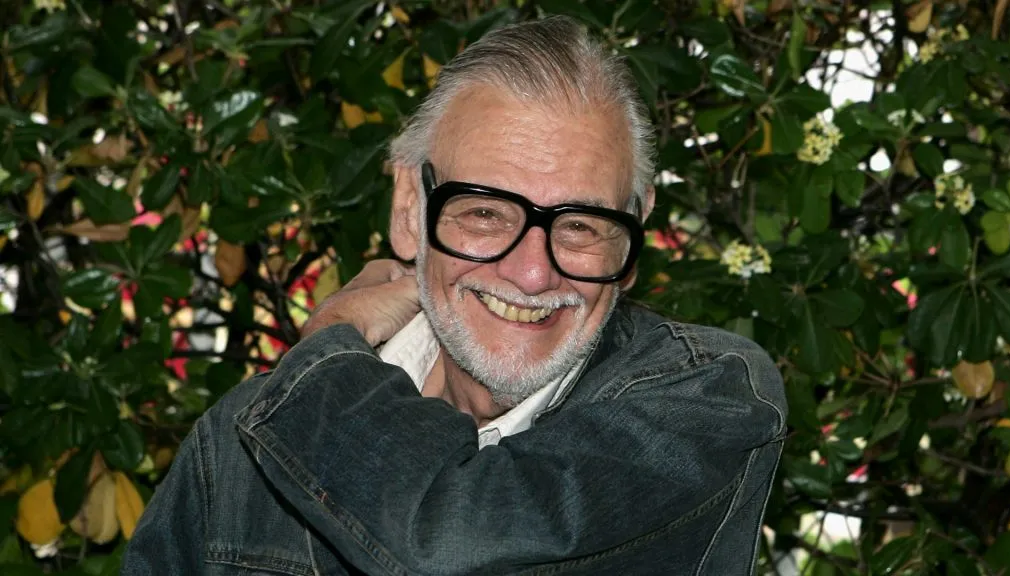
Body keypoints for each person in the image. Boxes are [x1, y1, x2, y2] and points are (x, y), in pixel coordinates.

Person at [121, 16, 787, 575]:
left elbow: (451, 542)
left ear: (635, 229)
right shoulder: (241, 443)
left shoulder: (707, 401)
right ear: (410, 206)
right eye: (484, 214)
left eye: (581, 226)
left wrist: (327, 345)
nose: (533, 275)